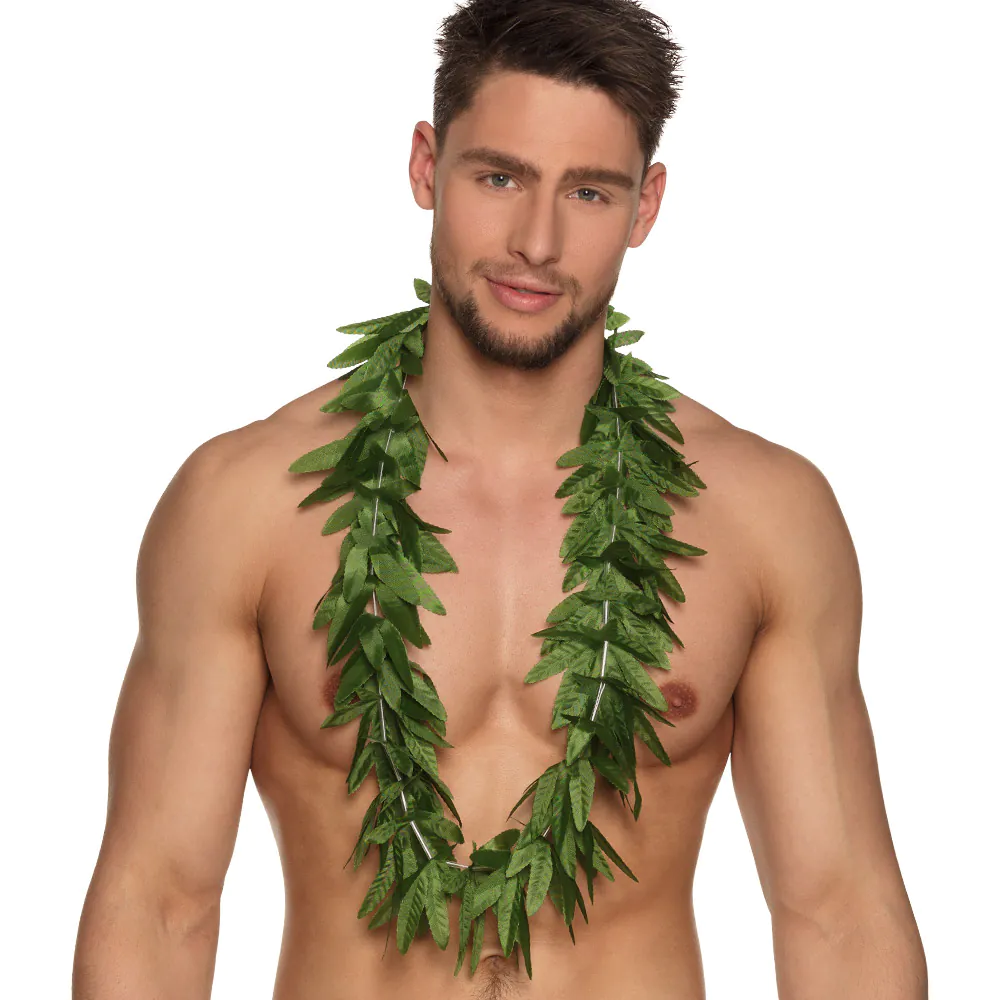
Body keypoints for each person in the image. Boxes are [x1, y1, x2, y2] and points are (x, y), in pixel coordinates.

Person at [72, 1, 927, 997]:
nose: (537, 241)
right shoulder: (248, 502)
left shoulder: (762, 516)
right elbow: (160, 898)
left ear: (646, 206)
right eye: (499, 178)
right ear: (426, 165)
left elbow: (836, 909)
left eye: (589, 192)